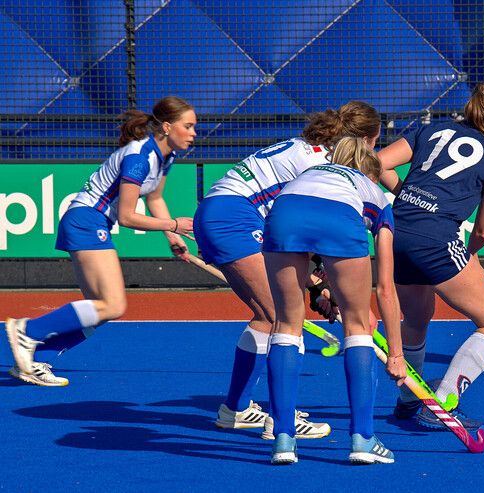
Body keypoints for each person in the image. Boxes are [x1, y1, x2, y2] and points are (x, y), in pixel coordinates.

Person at [193, 101, 382, 440]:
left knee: (267, 317)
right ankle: (282, 420)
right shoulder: (325, 165)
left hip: (220, 212)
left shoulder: (309, 148)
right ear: (367, 140)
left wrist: (318, 287)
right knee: (282, 319)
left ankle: (234, 410)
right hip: (237, 216)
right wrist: (330, 288)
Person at [4, 96, 197, 386]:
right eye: (189, 126)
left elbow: (154, 197)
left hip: (91, 222)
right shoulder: (139, 158)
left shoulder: (166, 156)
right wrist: (174, 224)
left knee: (100, 311)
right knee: (113, 304)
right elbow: (127, 216)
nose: (195, 133)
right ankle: (28, 331)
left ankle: (31, 356)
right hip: (87, 220)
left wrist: (172, 238)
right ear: (168, 127)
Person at [377, 80, 484, 428]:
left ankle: (409, 401)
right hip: (437, 239)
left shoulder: (430, 129)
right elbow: (483, 230)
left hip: (397, 233)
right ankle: (446, 396)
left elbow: (377, 162)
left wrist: (407, 194)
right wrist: (469, 254)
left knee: (418, 319)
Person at [263, 136, 405, 465]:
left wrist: (324, 289)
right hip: (338, 221)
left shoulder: (307, 175)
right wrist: (396, 354)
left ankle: (283, 439)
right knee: (357, 327)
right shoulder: (376, 194)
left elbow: (311, 254)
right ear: (369, 172)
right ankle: (363, 440)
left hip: (284, 213)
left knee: (286, 324)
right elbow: (385, 287)